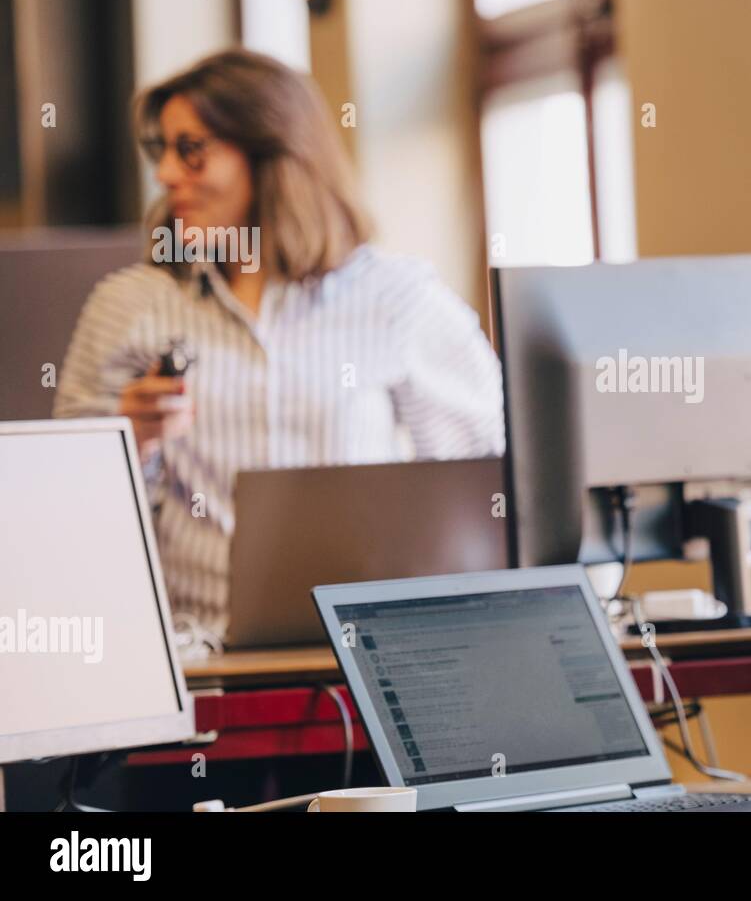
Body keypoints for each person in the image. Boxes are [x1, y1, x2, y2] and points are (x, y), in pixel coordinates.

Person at [54, 48, 504, 640]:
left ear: (272, 155)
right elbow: (61, 519)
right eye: (163, 152)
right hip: (200, 666)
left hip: (366, 656)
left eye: (192, 150)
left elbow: (486, 489)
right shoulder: (129, 306)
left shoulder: (398, 299)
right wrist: (129, 443)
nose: (164, 176)